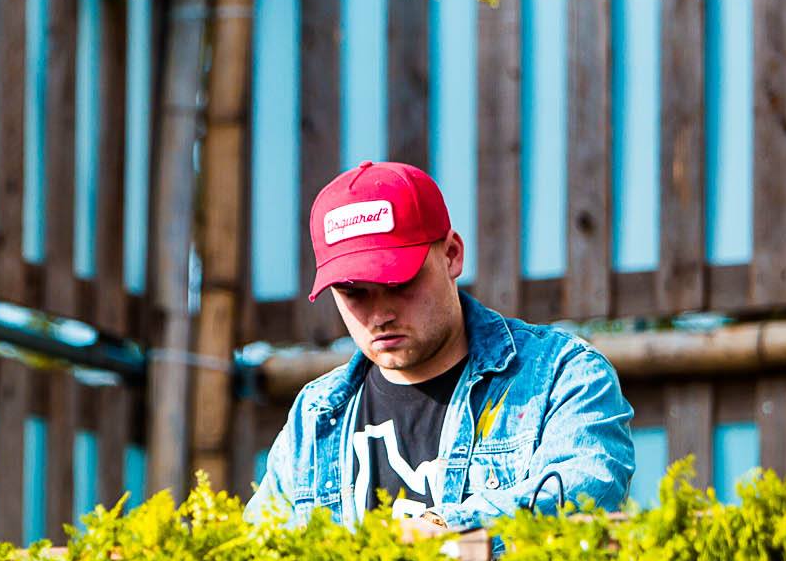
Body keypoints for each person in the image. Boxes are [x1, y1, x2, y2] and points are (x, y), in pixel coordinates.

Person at [245, 160, 634, 534]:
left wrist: (440, 531)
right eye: (353, 293)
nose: (380, 314)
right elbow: (256, 553)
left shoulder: (561, 376)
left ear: (451, 255)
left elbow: (583, 495)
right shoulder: (315, 415)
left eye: (398, 283)